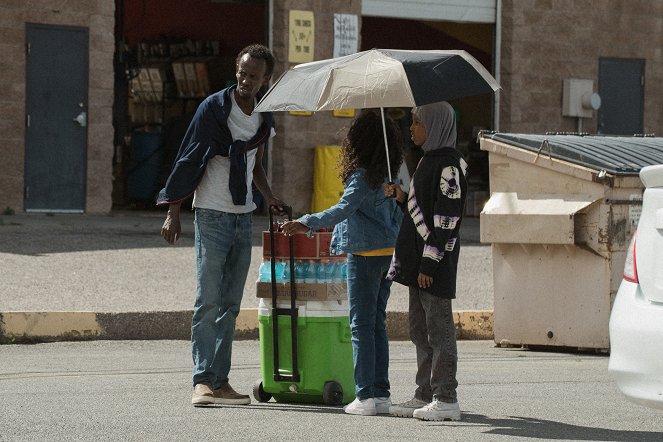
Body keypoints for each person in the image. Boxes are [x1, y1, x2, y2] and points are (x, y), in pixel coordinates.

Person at [158, 44, 285, 406]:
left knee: (230, 304)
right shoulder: (213, 108)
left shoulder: (263, 117)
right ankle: (201, 381)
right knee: (207, 302)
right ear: (237, 68)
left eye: (254, 76)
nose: (246, 81)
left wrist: (270, 197)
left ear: (266, 80)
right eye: (242, 73)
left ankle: (221, 380)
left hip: (243, 215)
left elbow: (255, 164)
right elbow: (189, 157)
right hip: (211, 212)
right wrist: (174, 210)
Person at [280, 110, 404, 416]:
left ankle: (365, 395)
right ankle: (381, 393)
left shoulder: (361, 177)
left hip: (363, 256)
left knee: (361, 324)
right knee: (377, 323)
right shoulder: (391, 177)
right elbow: (397, 215)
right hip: (387, 254)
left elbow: (342, 209)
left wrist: (305, 222)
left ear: (358, 142)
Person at [384, 101, 468, 421]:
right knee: (420, 329)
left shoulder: (449, 164)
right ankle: (425, 393)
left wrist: (429, 263)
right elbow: (425, 206)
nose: (411, 128)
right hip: (418, 264)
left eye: (417, 122)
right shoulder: (428, 160)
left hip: (432, 265)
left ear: (433, 126)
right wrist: (403, 197)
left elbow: (446, 218)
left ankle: (446, 397)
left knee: (438, 330)